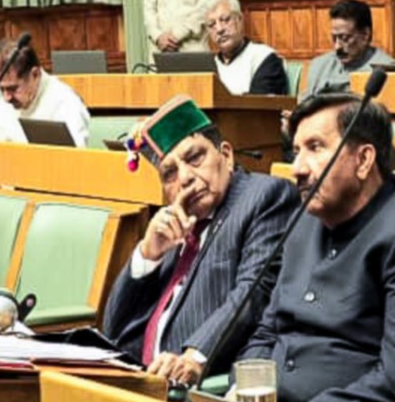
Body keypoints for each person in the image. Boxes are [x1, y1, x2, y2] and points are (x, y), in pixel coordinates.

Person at [238, 91, 395, 402]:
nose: (297, 169)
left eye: (315, 147)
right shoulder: (304, 223)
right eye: (296, 151)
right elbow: (267, 332)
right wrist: (244, 391)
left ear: (363, 160)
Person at [101, 96, 297, 383]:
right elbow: (113, 330)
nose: (185, 178)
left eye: (195, 158)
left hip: (189, 384)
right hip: (136, 377)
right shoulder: (175, 224)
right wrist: (148, 255)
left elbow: (253, 291)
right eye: (169, 173)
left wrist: (195, 357)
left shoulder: (262, 197)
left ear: (226, 156)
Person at [0, 35, 91, 147]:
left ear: (35, 74)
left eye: (13, 89)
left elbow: (75, 155)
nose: (6, 97)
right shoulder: (3, 104)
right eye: (1, 89)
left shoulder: (66, 102)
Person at [297, 0, 395, 99]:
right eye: (334, 38)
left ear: (365, 35)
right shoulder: (319, 65)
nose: (337, 47)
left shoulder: (384, 70)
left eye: (344, 38)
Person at [203, 0, 290, 96]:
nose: (219, 29)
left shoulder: (263, 58)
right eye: (211, 25)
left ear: (240, 19)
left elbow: (260, 103)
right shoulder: (209, 66)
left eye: (225, 20)